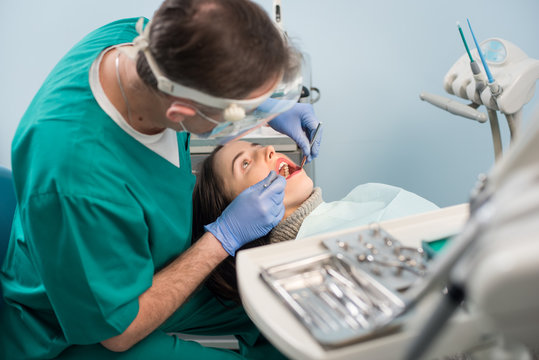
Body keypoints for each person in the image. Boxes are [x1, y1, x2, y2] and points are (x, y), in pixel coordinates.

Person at [0, 0, 322, 359]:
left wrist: (265, 102)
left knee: (277, 304)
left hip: (138, 258)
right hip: (76, 324)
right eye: (242, 118)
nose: (260, 141)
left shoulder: (141, 42)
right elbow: (119, 330)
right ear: (180, 112)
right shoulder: (79, 180)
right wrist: (222, 238)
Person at [192, 140, 439, 303]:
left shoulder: (366, 194)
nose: (268, 149)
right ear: (239, 211)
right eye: (244, 164)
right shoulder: (296, 282)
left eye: (257, 145)